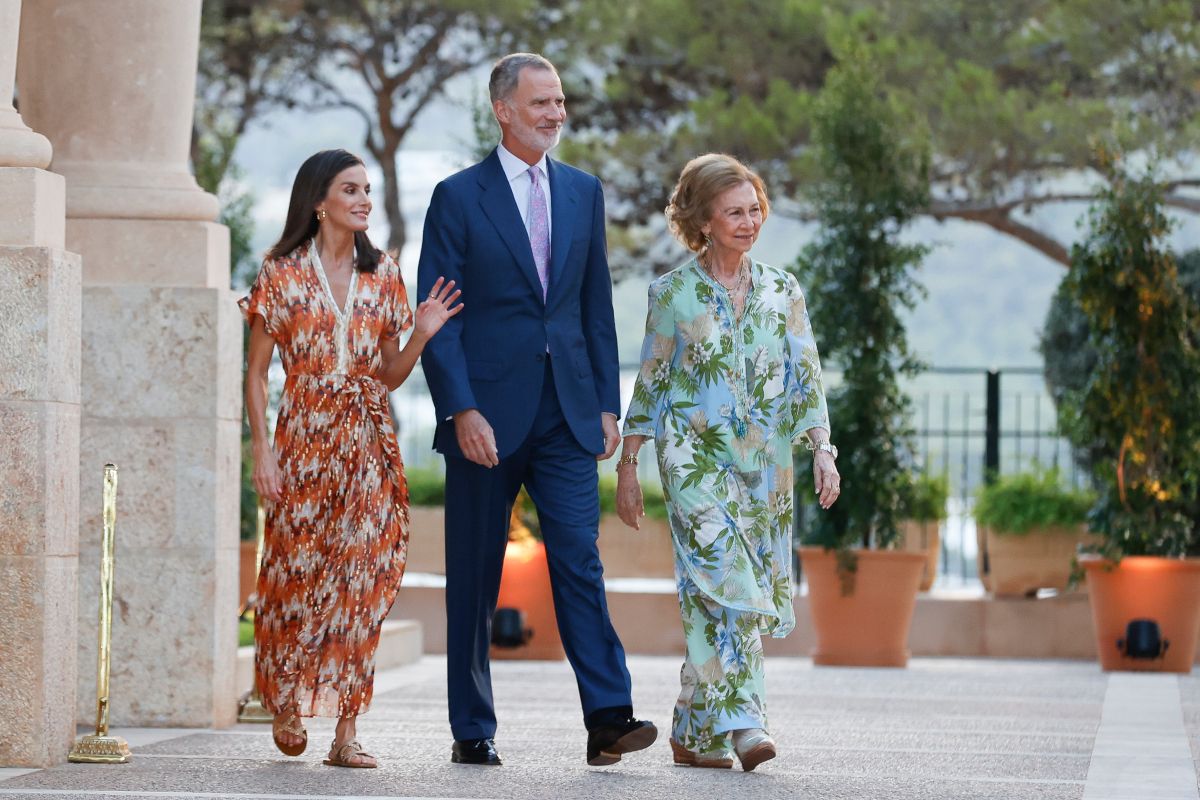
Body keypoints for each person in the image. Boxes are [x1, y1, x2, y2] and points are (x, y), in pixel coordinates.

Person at [416, 52, 656, 767]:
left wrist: (606, 404)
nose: (556, 113)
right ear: (504, 109)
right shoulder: (457, 197)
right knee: (476, 574)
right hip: (485, 419)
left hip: (567, 416)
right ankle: (472, 726)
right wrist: (460, 408)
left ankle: (608, 716)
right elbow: (439, 318)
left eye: (559, 101)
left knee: (579, 559)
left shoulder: (584, 191)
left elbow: (592, 305)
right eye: (541, 102)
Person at [615, 153, 841, 772]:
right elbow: (654, 380)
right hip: (694, 464)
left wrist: (823, 450)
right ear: (704, 221)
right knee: (729, 585)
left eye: (754, 210)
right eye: (734, 212)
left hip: (764, 467)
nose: (749, 221)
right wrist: (629, 466)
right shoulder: (672, 293)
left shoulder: (781, 289)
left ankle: (691, 725)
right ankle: (747, 724)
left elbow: (807, 376)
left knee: (716, 592)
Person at [241, 149, 461, 769]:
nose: (364, 199)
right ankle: (285, 696)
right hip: (302, 436)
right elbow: (257, 375)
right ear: (318, 202)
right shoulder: (279, 274)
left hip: (367, 439)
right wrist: (263, 449)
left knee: (360, 580)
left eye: (368, 190)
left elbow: (389, 376)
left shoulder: (383, 273)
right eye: (351, 190)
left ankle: (345, 731)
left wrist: (420, 332)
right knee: (295, 572)